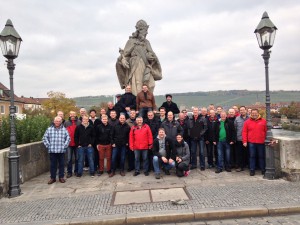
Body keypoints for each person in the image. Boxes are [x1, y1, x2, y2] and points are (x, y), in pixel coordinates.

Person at [116, 19, 162, 96]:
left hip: (146, 65)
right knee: (138, 85)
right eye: (145, 30)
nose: (147, 32)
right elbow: (124, 54)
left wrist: (151, 57)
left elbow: (152, 54)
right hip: (136, 65)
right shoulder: (131, 41)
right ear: (140, 30)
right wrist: (123, 60)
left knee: (151, 84)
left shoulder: (146, 42)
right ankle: (138, 102)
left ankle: (148, 101)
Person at [42, 116, 70, 184]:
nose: (57, 122)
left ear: (61, 122)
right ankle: (53, 178)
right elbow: (44, 138)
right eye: (56, 121)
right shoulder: (49, 129)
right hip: (52, 150)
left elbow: (68, 138)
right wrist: (48, 146)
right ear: (54, 121)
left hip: (61, 150)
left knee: (62, 164)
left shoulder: (64, 129)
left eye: (59, 121)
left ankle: (61, 177)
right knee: (52, 165)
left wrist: (64, 146)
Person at [242, 109, 267, 176]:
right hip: (251, 142)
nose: (254, 114)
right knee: (252, 156)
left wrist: (269, 139)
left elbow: (266, 131)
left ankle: (263, 169)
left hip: (261, 142)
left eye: (255, 113)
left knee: (261, 156)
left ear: (258, 113)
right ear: (251, 114)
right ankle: (252, 170)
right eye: (253, 113)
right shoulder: (247, 122)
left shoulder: (264, 121)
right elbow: (244, 132)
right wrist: (244, 141)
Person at [64, 111, 81, 178]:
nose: (73, 115)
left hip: (77, 144)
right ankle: (69, 172)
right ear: (70, 115)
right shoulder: (66, 122)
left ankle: (76, 171)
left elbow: (81, 133)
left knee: (77, 158)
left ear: (76, 114)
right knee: (69, 159)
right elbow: (64, 132)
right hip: (69, 144)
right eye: (71, 114)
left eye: (74, 114)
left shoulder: (79, 122)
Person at [234, 106, 249, 172]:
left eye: (243, 110)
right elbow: (235, 129)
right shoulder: (237, 119)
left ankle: (247, 165)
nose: (242, 111)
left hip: (248, 139)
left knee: (248, 153)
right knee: (239, 154)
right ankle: (240, 166)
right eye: (241, 110)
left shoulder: (250, 118)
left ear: (246, 110)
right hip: (239, 138)